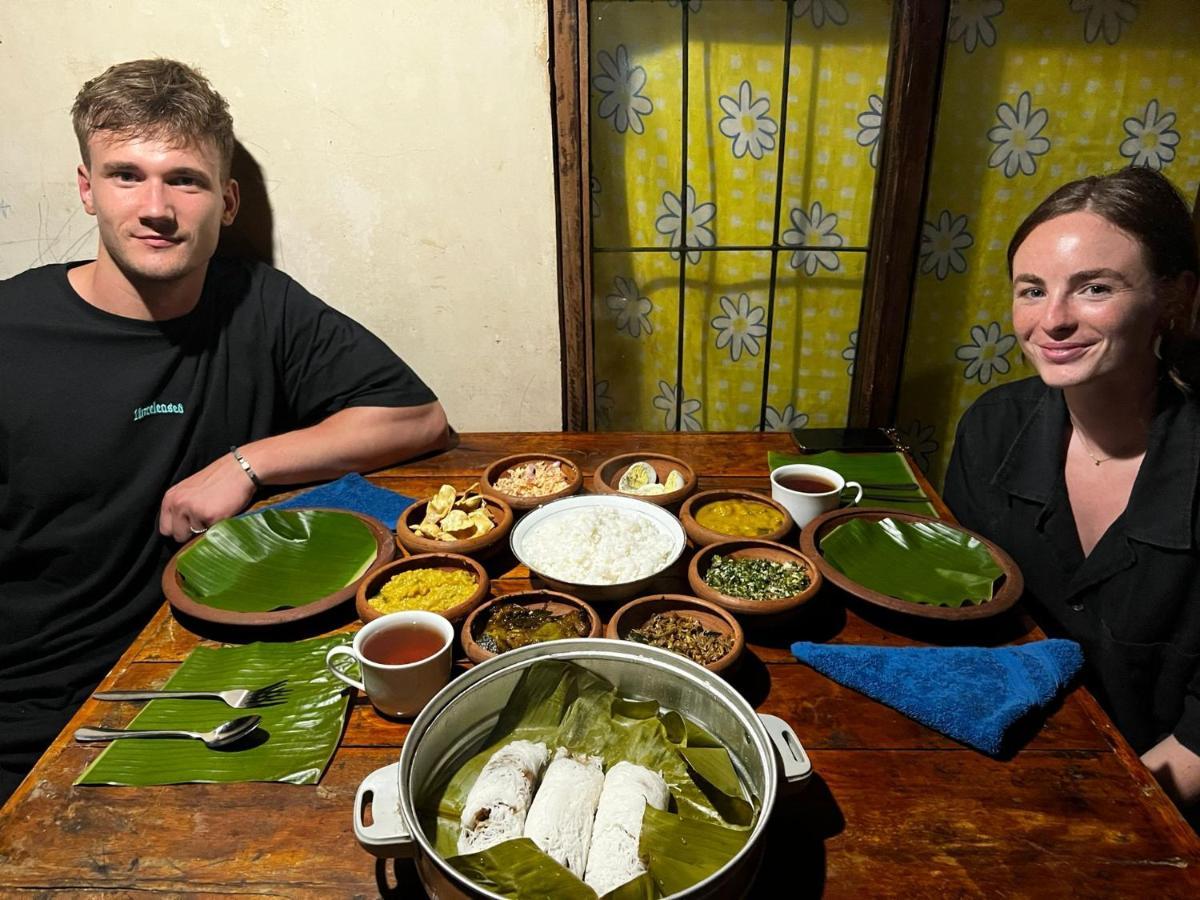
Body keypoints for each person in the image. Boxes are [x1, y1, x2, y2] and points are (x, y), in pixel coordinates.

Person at [0, 59, 449, 804]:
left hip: (224, 677)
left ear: (227, 201)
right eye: (125, 175)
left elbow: (416, 418)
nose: (155, 208)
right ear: (86, 188)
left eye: (185, 179)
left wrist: (246, 462)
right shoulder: (12, 330)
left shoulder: (260, 305)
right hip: (36, 707)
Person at [944, 167, 1200, 818]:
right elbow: (965, 605)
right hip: (1015, 753)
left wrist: (1097, 820)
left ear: (1173, 297)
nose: (1052, 320)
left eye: (1094, 288)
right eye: (1032, 290)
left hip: (1153, 806)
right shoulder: (993, 428)